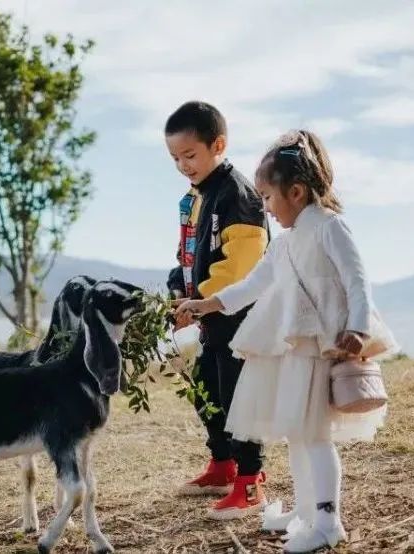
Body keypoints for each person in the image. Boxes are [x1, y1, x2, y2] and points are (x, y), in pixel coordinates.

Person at [176, 129, 397, 552]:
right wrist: (207, 304)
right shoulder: (287, 242)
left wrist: (358, 328)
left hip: (323, 348)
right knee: (298, 433)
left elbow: (357, 279)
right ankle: (304, 511)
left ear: (296, 192)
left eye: (268, 198)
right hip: (296, 349)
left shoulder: (330, 227)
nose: (265, 208)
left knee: (315, 437)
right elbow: (254, 283)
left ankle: (328, 522)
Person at [165, 101, 269, 519]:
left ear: (218, 145)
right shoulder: (193, 198)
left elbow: (241, 266)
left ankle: (250, 480)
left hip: (240, 315)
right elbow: (185, 255)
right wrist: (177, 290)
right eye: (175, 158)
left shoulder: (238, 196)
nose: (183, 165)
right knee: (205, 385)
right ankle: (223, 464)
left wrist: (200, 299)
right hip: (209, 314)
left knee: (238, 394)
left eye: (190, 155)